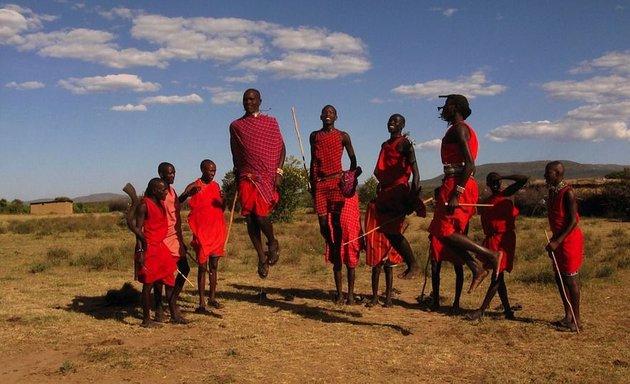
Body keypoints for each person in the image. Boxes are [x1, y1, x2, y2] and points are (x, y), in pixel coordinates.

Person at [428, 94, 500, 294]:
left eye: (446, 106)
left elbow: (469, 164)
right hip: (455, 183)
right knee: (439, 232)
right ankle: (476, 267)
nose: (443, 109)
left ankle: (490, 256)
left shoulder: (460, 129)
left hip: (459, 184)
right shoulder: (458, 129)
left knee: (443, 231)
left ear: (455, 107)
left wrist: (456, 194)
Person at [230, 88, 286, 279]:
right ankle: (261, 256)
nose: (248, 102)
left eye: (252, 99)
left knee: (261, 216)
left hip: (267, 176)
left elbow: (281, 148)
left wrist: (279, 171)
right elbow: (235, 151)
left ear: (260, 101)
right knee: (250, 219)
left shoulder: (270, 123)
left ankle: (273, 241)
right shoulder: (236, 126)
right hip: (246, 176)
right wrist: (237, 173)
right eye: (245, 99)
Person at [309, 105, 359, 304]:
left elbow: (353, 158)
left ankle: (337, 248)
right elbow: (313, 160)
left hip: (337, 182)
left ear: (336, 117)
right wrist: (312, 182)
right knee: (323, 223)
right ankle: (332, 246)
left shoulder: (343, 136)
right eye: (325, 112)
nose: (328, 115)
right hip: (320, 184)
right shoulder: (314, 136)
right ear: (320, 116)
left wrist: (351, 176)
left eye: (331, 113)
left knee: (337, 222)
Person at [465, 173, 528, 321]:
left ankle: (481, 311)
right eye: (491, 182)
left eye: (496, 182)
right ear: (487, 184)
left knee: (497, 276)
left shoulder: (507, 194)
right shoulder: (486, 202)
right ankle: (507, 311)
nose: (494, 185)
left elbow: (523, 179)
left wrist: (504, 176)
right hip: (492, 239)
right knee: (499, 277)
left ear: (500, 183)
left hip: (505, 240)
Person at [372, 113, 424, 281]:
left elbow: (416, 173)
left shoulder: (405, 144)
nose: (392, 123)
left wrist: (413, 197)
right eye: (390, 120)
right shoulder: (385, 144)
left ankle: (413, 264)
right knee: (387, 230)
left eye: (396, 121)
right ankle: (411, 263)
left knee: (393, 230)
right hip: (386, 192)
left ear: (402, 126)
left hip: (399, 191)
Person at [132, 178, 178, 328]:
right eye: (163, 190)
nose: (166, 192)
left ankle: (174, 314)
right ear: (154, 191)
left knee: (170, 279)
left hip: (161, 247)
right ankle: (146, 319)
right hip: (149, 248)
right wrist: (140, 252)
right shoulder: (144, 206)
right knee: (149, 284)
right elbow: (138, 231)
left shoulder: (160, 203)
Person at [183, 160, 227, 314]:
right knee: (203, 268)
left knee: (214, 267)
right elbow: (180, 199)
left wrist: (225, 198)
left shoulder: (216, 187)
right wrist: (189, 193)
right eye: (210, 170)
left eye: (214, 170)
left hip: (216, 231)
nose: (213, 173)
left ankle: (212, 298)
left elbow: (222, 208)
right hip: (202, 233)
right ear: (202, 169)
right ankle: (201, 302)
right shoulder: (195, 185)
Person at [544, 161, 583, 332]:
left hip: (569, 241)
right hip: (558, 240)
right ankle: (568, 316)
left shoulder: (568, 193)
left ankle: (577, 320)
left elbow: (573, 221)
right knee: (559, 278)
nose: (545, 176)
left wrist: (558, 241)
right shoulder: (553, 192)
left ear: (558, 174)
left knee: (570, 279)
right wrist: (554, 240)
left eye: (548, 173)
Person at [154, 162, 191, 324]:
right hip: (163, 238)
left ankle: (172, 301)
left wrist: (185, 195)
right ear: (161, 174)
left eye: (174, 172)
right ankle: (160, 308)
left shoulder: (172, 191)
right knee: (162, 276)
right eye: (169, 173)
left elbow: (174, 209)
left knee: (185, 268)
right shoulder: (158, 193)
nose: (173, 175)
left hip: (175, 236)